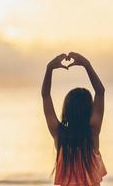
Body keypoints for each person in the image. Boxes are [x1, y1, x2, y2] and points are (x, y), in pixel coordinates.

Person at [41, 52, 107, 186]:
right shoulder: (92, 133)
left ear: (67, 109)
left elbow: (45, 95)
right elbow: (100, 92)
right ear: (89, 109)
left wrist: (49, 69)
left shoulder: (59, 135)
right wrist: (86, 64)